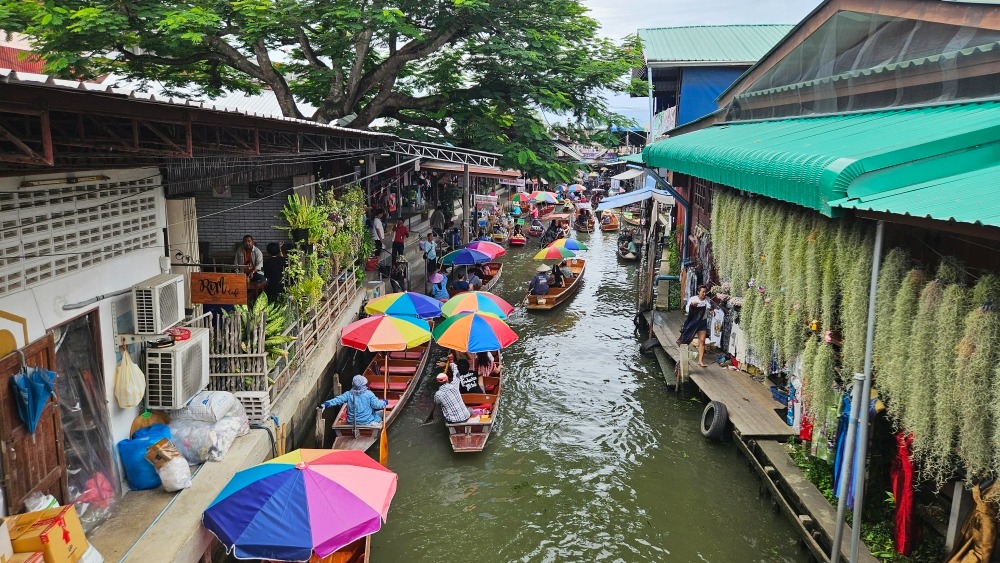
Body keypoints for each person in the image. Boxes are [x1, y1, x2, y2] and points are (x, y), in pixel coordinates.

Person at [318, 375, 388, 425]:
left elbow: (338, 400)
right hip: (366, 421)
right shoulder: (369, 394)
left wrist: (326, 404)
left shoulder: (348, 394)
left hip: (351, 421)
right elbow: (376, 405)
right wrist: (384, 402)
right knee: (381, 413)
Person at [677, 285, 713, 368]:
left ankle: (700, 361)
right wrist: (693, 306)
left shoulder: (708, 300)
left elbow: (710, 309)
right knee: (686, 339)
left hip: (702, 322)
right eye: (702, 292)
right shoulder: (693, 299)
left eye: (705, 292)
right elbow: (687, 310)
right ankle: (684, 356)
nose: (704, 294)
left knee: (702, 341)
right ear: (698, 292)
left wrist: (711, 311)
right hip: (693, 322)